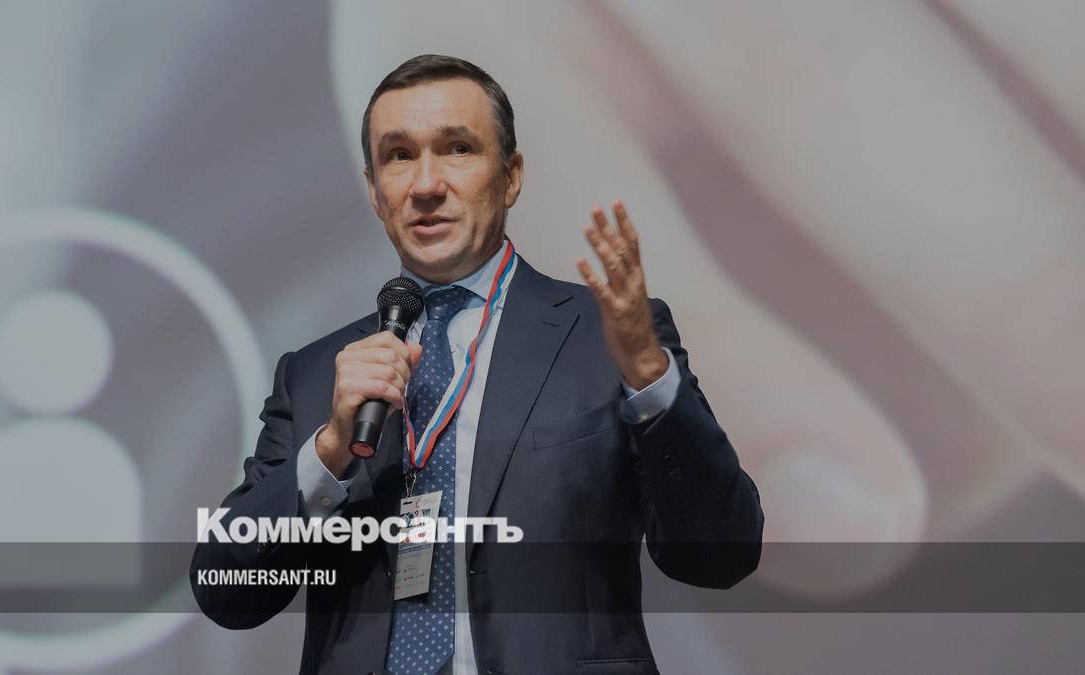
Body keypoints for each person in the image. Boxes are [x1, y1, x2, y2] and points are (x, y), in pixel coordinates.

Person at [191, 54, 763, 675]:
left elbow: (719, 557)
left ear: (511, 177)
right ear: (375, 192)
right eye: (399, 156)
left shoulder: (608, 338)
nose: (426, 184)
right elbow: (228, 593)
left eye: (457, 149)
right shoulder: (315, 376)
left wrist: (650, 380)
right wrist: (328, 451)